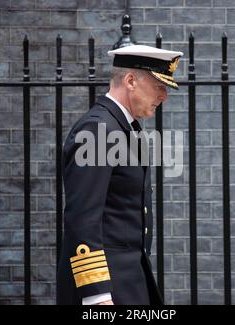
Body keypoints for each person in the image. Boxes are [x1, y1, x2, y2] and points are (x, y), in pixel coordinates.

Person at [57, 44, 183, 305]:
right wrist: (97, 295)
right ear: (130, 81)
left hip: (127, 283)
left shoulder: (121, 128)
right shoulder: (98, 129)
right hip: (105, 291)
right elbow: (82, 219)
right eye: (160, 86)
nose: (164, 96)